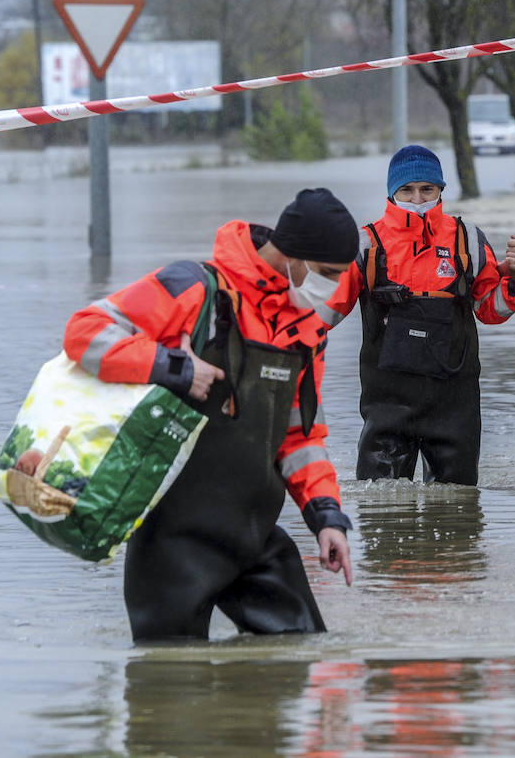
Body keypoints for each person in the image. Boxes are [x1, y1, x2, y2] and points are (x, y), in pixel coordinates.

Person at [63, 188, 357, 641]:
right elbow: (85, 332)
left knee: (303, 656)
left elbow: (300, 439)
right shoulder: (194, 288)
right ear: (293, 256)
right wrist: (173, 367)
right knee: (168, 681)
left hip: (255, 539)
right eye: (327, 274)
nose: (335, 288)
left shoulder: (307, 331)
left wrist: (327, 518)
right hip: (172, 545)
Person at [321, 145, 515, 485]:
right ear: (392, 192)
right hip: (387, 403)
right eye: (407, 190)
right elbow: (324, 312)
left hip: (454, 404)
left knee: (458, 509)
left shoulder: (469, 239)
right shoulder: (365, 243)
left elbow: (490, 310)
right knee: (382, 510)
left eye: (427, 189)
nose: (417, 198)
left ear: (440, 191)